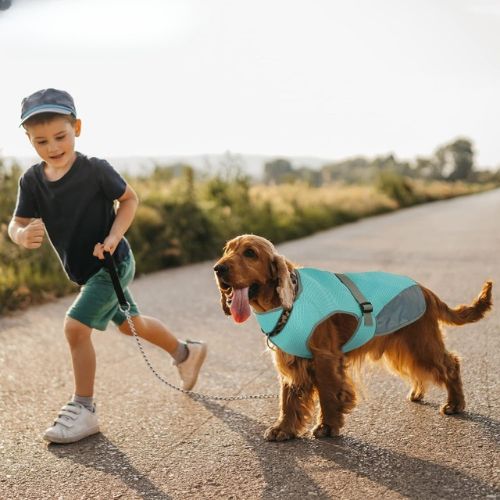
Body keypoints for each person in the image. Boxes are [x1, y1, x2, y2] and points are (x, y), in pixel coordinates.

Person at [8, 88, 207, 444]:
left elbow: (129, 199)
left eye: (60, 136)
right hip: (87, 273)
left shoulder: (95, 169)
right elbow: (15, 222)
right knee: (132, 325)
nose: (53, 147)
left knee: (75, 328)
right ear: (28, 140)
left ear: (77, 128)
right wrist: (21, 235)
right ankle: (185, 352)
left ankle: (84, 409)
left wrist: (114, 236)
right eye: (41, 141)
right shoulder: (32, 181)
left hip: (113, 262)